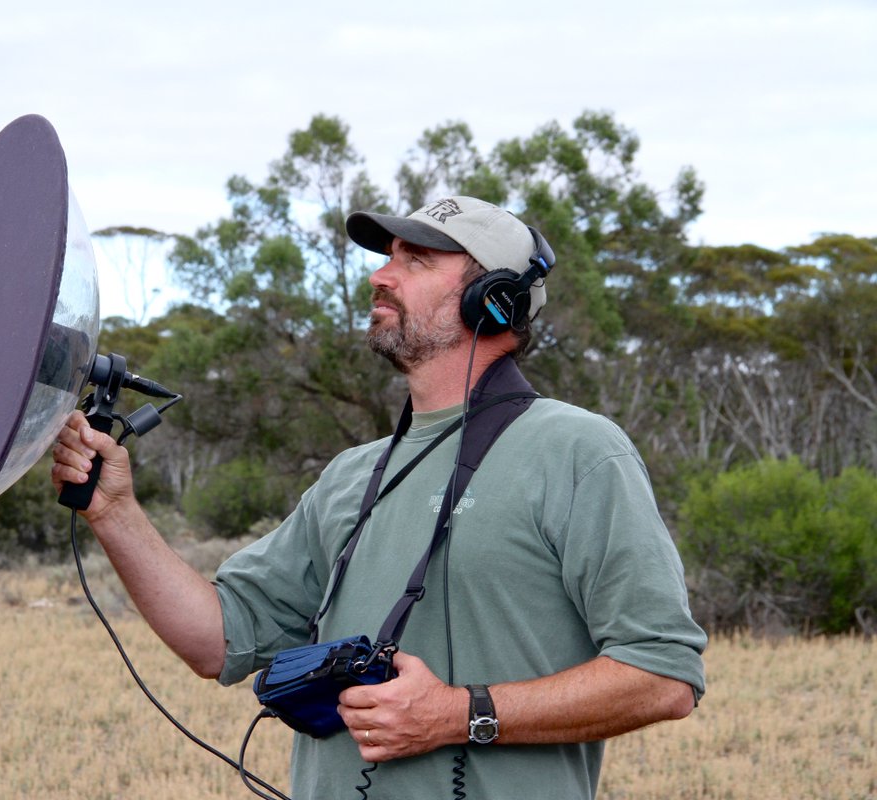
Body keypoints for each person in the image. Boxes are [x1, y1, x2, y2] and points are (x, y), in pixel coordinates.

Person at [52, 196, 707, 799]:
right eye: (386, 259)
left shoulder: (578, 452)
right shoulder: (349, 476)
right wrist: (115, 514)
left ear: (493, 300)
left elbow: (663, 675)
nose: (380, 277)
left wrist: (460, 714)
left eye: (416, 260)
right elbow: (216, 641)